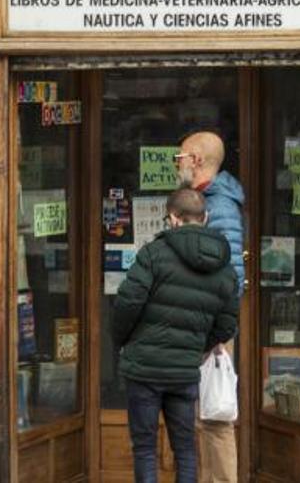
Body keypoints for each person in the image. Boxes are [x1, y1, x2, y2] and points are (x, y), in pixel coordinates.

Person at [112, 188, 240, 483]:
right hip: (184, 371)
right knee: (185, 450)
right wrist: (197, 347)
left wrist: (123, 342)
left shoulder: (153, 254)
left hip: (143, 367)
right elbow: (226, 324)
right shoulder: (225, 268)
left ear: (172, 218)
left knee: (144, 448)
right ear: (205, 217)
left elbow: (126, 305)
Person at [175, 131, 244, 483]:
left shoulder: (220, 208)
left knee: (216, 418)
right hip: (200, 325)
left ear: (197, 161)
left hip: (212, 330)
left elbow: (232, 277)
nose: (177, 165)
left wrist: (219, 333)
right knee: (201, 417)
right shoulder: (206, 201)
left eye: (180, 158)